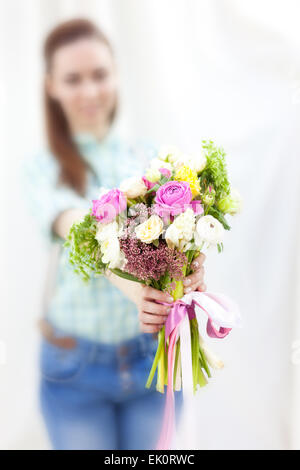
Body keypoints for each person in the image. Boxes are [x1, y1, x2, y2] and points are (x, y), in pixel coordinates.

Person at [23, 18, 206, 450]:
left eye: (99, 75)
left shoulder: (151, 159)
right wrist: (127, 283)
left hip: (151, 363)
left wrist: (190, 271)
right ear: (51, 86)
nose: (89, 91)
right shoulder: (41, 168)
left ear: (117, 75)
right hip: (75, 372)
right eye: (73, 79)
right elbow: (74, 226)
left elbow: (178, 241)